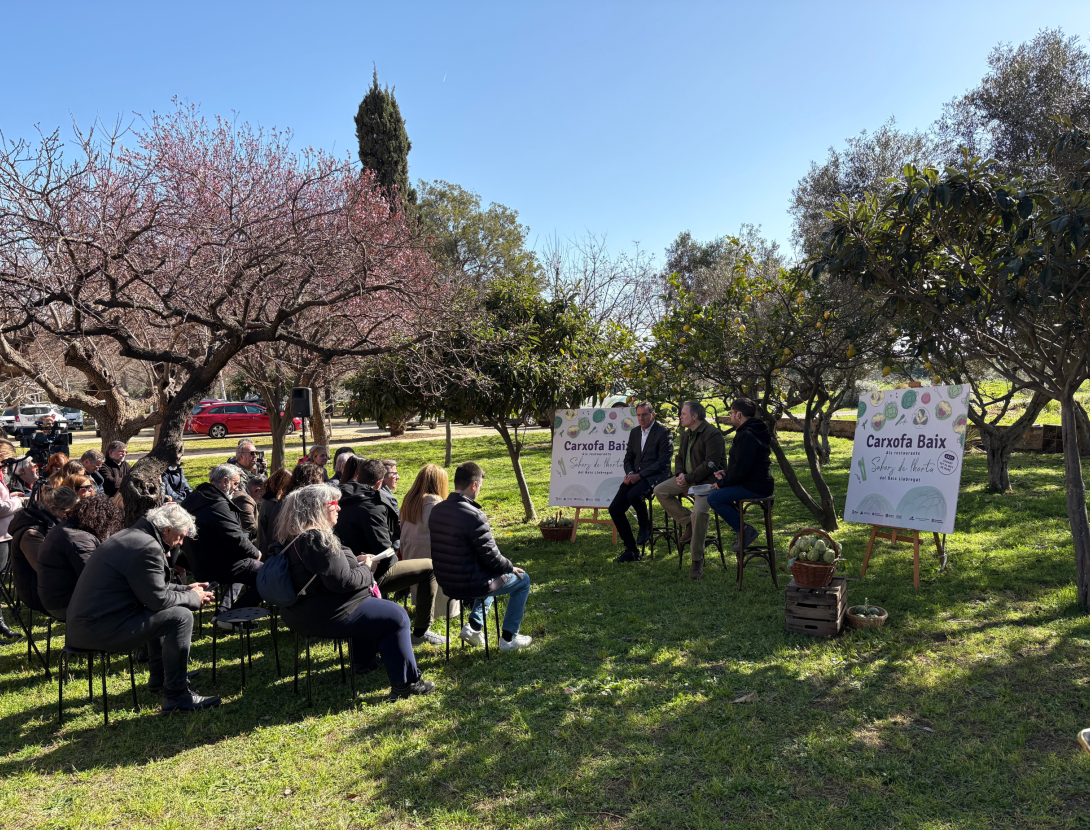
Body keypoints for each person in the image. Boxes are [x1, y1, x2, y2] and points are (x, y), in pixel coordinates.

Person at [275, 483, 434, 700]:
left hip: (300, 611)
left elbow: (329, 573)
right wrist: (367, 569)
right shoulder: (318, 539)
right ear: (316, 509)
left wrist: (353, 562)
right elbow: (342, 583)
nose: (339, 508)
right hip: (324, 615)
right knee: (396, 616)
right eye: (333, 504)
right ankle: (407, 684)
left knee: (373, 608)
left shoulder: (294, 535)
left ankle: (364, 662)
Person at [65, 502, 220, 713]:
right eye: (180, 536)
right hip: (99, 629)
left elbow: (148, 586)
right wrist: (192, 597)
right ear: (167, 530)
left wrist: (185, 589)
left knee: (160, 611)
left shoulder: (131, 536)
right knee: (180, 616)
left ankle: (161, 676)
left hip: (89, 625)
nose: (180, 543)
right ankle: (176, 695)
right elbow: (158, 599)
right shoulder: (147, 547)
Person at [335, 459, 443, 646]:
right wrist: (396, 544)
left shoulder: (337, 498)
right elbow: (384, 550)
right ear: (379, 483)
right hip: (367, 572)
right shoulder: (372, 504)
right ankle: (421, 632)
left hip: (339, 570)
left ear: (358, 476)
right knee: (430, 568)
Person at [429, 462, 532, 652]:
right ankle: (509, 639)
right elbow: (493, 557)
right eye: (480, 487)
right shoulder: (475, 515)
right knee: (523, 580)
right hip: (471, 584)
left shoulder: (437, 510)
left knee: (491, 575)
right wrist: (510, 567)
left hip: (446, 582)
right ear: (474, 485)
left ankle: (475, 626)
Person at [653, 400, 726, 581]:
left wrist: (688, 477)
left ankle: (696, 560)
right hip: (687, 479)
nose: (680, 417)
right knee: (660, 490)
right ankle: (687, 522)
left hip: (706, 483)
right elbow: (679, 457)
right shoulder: (687, 434)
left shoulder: (712, 434)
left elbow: (710, 465)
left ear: (695, 416)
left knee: (700, 512)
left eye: (683, 414)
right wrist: (679, 474)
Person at [180, 464, 263, 603]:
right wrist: (256, 553)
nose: (237, 488)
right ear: (225, 482)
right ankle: (234, 615)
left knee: (246, 564)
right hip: (215, 565)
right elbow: (235, 538)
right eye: (235, 483)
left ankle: (224, 612)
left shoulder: (197, 496)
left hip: (198, 561)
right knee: (267, 575)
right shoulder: (217, 503)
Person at [37, 494, 123, 620]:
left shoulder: (69, 527)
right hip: (64, 604)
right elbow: (95, 578)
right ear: (102, 520)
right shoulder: (78, 538)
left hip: (58, 597)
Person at [610, 402, 674, 563]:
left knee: (634, 494)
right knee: (615, 509)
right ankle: (631, 551)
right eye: (638, 415)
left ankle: (645, 526)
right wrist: (630, 473)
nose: (641, 418)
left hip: (655, 476)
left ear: (652, 415)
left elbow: (663, 462)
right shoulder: (634, 432)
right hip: (636, 476)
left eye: (644, 414)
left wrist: (640, 475)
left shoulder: (664, 432)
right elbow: (628, 458)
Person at [707, 398, 775, 551]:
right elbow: (743, 465)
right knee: (720, 494)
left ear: (739, 415)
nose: (730, 417)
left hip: (755, 485)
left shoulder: (747, 435)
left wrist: (722, 483)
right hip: (755, 482)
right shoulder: (756, 430)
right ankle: (742, 530)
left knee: (714, 498)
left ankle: (744, 530)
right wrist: (726, 474)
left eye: (731, 413)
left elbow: (742, 469)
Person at [400, 464, 458, 620]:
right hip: (431, 551)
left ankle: (423, 609)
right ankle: (441, 613)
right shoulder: (437, 503)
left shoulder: (410, 500)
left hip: (410, 551)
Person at [9, 486, 75, 615]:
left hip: (55, 586)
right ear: (53, 509)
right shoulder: (31, 533)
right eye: (69, 511)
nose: (72, 516)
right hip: (43, 594)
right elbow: (45, 569)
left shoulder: (52, 523)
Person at [0, 440, 26, 641]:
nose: (8, 466)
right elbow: (1, 508)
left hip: (4, 534)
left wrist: (11, 496)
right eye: (6, 460)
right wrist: (17, 501)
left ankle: (0, 623)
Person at [256, 468, 291, 555]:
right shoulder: (273, 503)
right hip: (270, 552)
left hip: (264, 547)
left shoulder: (267, 498)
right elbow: (276, 533)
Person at [232, 471, 262, 541]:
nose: (261, 501)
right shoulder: (244, 499)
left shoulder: (243, 492)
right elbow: (249, 527)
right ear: (257, 490)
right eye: (262, 496)